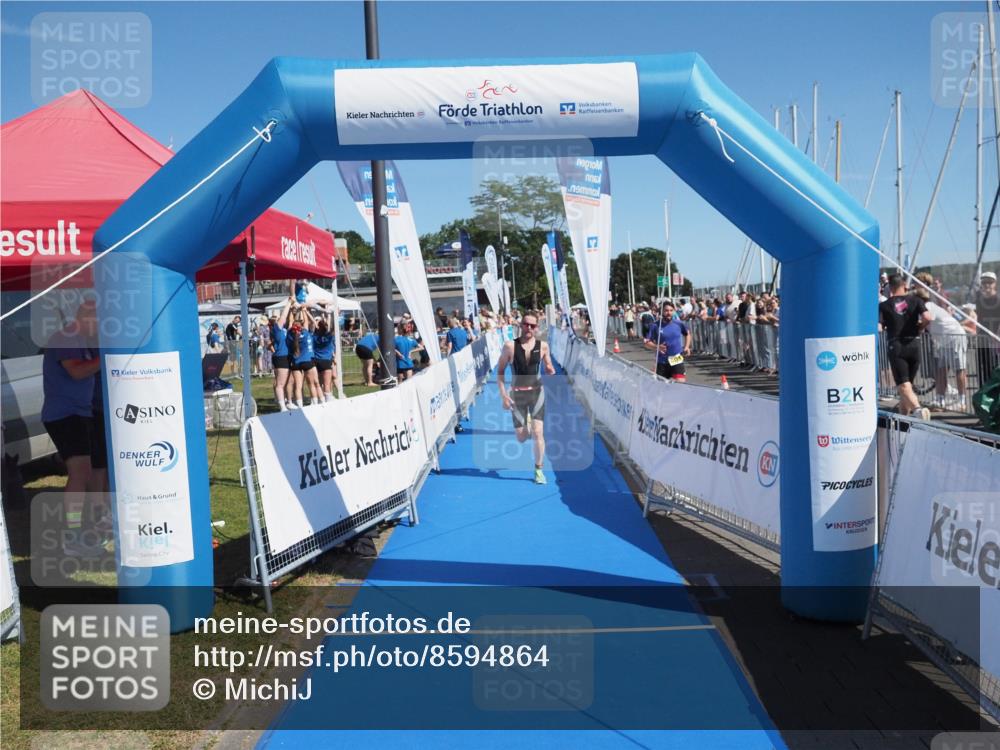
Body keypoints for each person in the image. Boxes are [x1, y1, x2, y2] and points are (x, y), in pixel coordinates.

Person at [41, 299, 103, 557]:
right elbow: (77, 372)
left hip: (78, 413)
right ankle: (73, 537)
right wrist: (107, 357)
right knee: (79, 474)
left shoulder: (80, 340)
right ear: (88, 316)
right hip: (65, 415)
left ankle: (80, 531)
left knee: (85, 473)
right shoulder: (67, 338)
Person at [496, 313, 556, 485]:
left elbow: (548, 364)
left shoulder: (543, 346)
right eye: (526, 324)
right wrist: (503, 395)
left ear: (537, 327)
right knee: (521, 438)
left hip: (537, 393)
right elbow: (499, 372)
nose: (529, 328)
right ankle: (526, 424)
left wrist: (550, 369)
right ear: (520, 325)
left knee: (538, 433)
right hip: (517, 395)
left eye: (532, 325)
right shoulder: (509, 346)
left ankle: (538, 470)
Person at [878, 274, 933, 418]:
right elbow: (928, 317)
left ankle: (918, 410)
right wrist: (920, 327)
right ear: (904, 285)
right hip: (914, 344)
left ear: (890, 287)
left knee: (903, 385)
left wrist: (886, 327)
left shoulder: (884, 305)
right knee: (906, 385)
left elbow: (879, 328)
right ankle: (904, 419)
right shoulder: (916, 300)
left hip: (897, 346)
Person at [643, 301, 692, 381]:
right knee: (662, 388)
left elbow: (687, 334)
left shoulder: (678, 324)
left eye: (671, 310)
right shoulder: (655, 326)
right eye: (666, 310)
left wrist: (686, 347)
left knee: (680, 384)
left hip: (676, 359)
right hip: (662, 362)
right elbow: (646, 343)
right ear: (661, 312)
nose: (669, 313)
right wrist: (657, 347)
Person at [288, 306, 322, 407]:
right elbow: (306, 321)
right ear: (301, 327)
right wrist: (303, 310)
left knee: (298, 386)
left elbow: (290, 323)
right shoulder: (306, 333)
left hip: (296, 362)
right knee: (311, 384)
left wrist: (291, 312)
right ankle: (315, 403)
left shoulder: (290, 335)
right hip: (307, 360)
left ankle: (300, 406)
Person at [974, 270, 1000, 386]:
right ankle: (982, 395)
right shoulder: (979, 299)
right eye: (984, 282)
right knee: (982, 368)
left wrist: (997, 336)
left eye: (990, 282)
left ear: (995, 283)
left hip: (995, 339)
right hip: (982, 338)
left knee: (994, 368)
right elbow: (977, 316)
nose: (987, 285)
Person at [268, 298, 294, 411]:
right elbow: (283, 316)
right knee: (280, 383)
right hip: (281, 357)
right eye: (278, 319)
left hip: (286, 356)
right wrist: (289, 303)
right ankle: (282, 406)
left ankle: (288, 402)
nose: (280, 320)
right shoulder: (277, 329)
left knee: (288, 381)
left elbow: (289, 320)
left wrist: (293, 309)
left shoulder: (282, 330)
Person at [313, 309, 337, 402]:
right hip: (326, 361)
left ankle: (320, 399)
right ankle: (327, 399)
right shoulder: (329, 336)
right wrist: (331, 315)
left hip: (317, 361)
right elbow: (332, 328)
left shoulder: (313, 336)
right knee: (327, 383)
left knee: (319, 382)